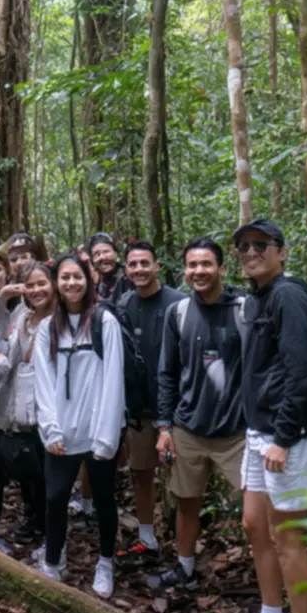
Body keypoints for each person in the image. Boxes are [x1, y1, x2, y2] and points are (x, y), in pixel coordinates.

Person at [223, 219, 307, 613]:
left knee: (287, 536)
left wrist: (283, 437)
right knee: (255, 525)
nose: (250, 252)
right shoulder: (257, 298)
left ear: (281, 251)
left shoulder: (289, 296)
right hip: (260, 431)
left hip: (290, 435)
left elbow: (303, 372)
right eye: (243, 246)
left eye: (260, 245)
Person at [151, 236, 247, 594]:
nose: (199, 271)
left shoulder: (244, 309)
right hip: (189, 428)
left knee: (258, 511)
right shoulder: (178, 313)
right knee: (186, 502)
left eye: (206, 264)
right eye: (192, 265)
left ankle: (270, 587)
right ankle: (185, 569)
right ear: (184, 270)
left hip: (237, 433)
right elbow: (167, 373)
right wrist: (164, 427)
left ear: (222, 268)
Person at [35, 253, 125, 599]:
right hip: (62, 433)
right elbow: (43, 383)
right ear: (56, 283)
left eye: (77, 277)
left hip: (98, 428)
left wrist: (106, 437)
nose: (71, 283)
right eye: (65, 277)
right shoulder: (48, 328)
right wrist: (50, 429)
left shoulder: (104, 322)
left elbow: (114, 379)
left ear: (88, 281)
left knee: (103, 497)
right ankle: (53, 561)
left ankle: (105, 561)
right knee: (55, 497)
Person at [0, 261, 55, 552]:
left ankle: (48, 540)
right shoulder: (22, 313)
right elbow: (5, 340)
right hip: (2, 405)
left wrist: (1, 363)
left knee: (38, 476)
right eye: (30, 285)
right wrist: (3, 300)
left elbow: (43, 368)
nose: (36, 290)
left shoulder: (58, 322)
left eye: (42, 284)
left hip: (37, 411)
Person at [113, 240, 184, 565]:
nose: (139, 269)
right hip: (140, 409)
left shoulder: (178, 303)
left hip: (176, 410)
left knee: (180, 479)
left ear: (157, 267)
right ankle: (147, 539)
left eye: (145, 263)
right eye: (133, 264)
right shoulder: (124, 304)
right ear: (126, 269)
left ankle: (183, 547)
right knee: (141, 473)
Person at [89, 232, 133, 305]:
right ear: (92, 260)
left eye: (106, 251)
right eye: (97, 254)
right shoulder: (95, 284)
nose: (102, 257)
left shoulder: (130, 275)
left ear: (115, 254)